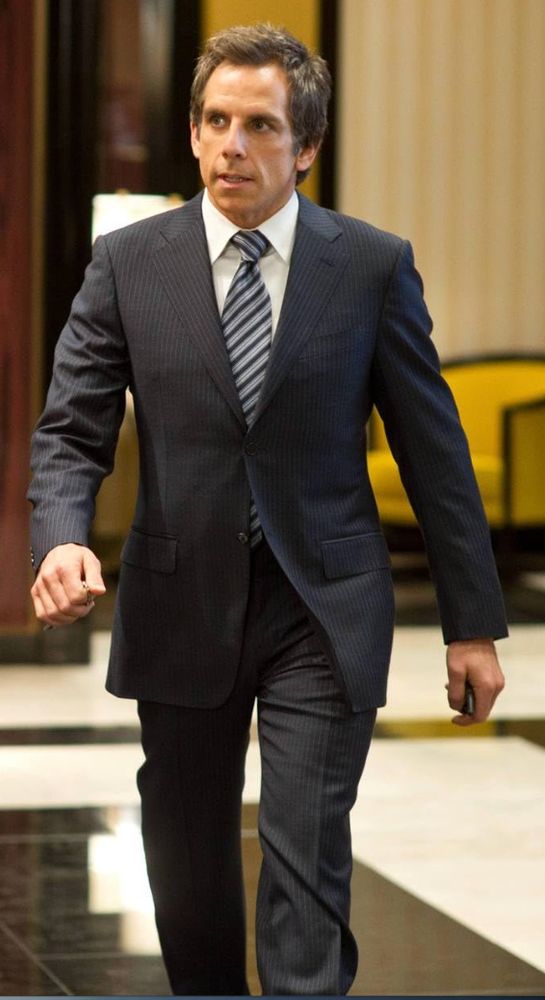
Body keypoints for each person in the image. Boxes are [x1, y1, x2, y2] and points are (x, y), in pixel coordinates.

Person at [28, 23, 507, 997]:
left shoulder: (369, 268)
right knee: (187, 854)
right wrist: (63, 538)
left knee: (304, 855)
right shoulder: (127, 265)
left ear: (306, 147)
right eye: (213, 121)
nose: (229, 146)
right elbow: (70, 431)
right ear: (193, 134)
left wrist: (472, 626)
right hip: (180, 597)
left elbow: (434, 456)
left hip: (321, 603)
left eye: (257, 125)